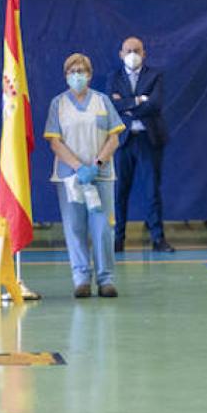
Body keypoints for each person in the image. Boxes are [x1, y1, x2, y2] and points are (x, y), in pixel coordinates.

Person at [42, 53, 125, 298]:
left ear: (89, 74)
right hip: (70, 177)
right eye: (72, 71)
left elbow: (114, 138)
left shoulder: (102, 102)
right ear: (66, 75)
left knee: (102, 228)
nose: (77, 75)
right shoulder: (58, 104)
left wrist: (96, 164)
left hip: (100, 175)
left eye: (81, 71)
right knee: (75, 227)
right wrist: (79, 167)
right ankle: (81, 278)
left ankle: (106, 278)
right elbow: (55, 142)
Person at [107, 36, 173, 254]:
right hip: (123, 141)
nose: (132, 55)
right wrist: (138, 100)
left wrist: (127, 105)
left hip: (149, 139)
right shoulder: (114, 77)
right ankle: (118, 239)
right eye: (128, 50)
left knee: (152, 190)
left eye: (136, 50)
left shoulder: (155, 76)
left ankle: (158, 238)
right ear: (120, 54)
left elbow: (155, 105)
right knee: (120, 192)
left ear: (144, 53)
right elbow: (112, 106)